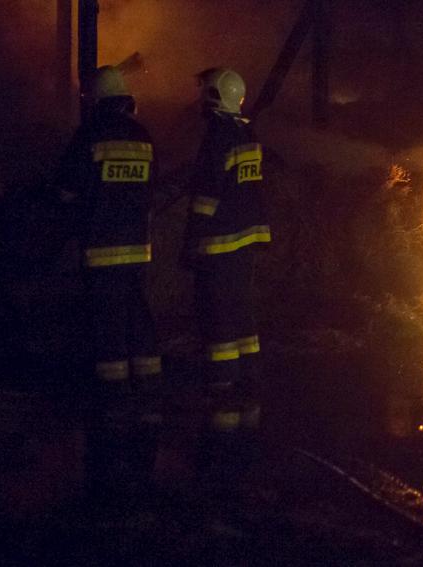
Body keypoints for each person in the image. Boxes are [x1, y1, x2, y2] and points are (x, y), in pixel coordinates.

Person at [53, 65, 162, 502]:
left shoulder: (91, 136)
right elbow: (151, 191)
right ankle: (149, 384)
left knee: (107, 320)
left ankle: (113, 395)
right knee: (137, 312)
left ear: (96, 100)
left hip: (101, 247)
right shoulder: (142, 136)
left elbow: (66, 191)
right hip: (138, 247)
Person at [182, 67, 271, 482]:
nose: (201, 98)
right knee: (241, 311)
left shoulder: (217, 137)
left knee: (218, 317)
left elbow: (207, 197)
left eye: (206, 91)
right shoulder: (246, 133)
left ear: (217, 95)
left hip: (219, 240)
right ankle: (249, 377)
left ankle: (221, 386)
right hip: (246, 239)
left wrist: (192, 239)